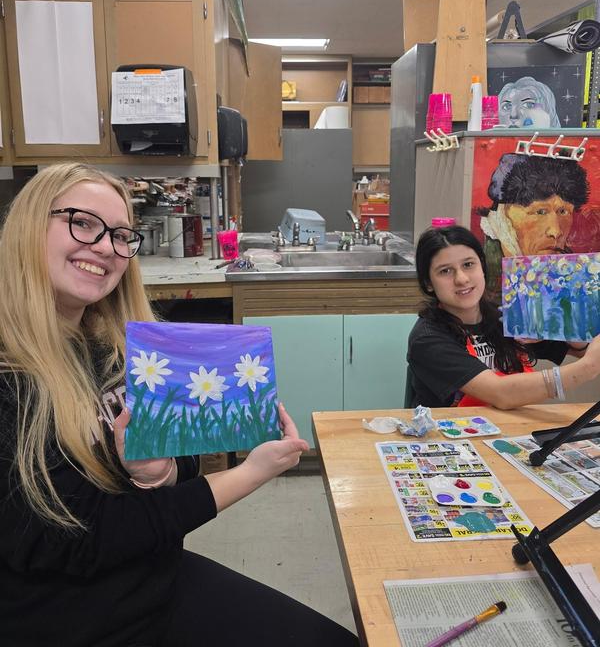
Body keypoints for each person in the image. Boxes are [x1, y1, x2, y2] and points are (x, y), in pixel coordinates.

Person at [0, 163, 358, 647]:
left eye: (120, 235)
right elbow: (78, 541)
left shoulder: (114, 345)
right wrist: (249, 474)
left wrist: (157, 474)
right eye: (82, 223)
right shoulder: (11, 379)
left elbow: (181, 458)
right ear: (28, 228)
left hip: (154, 580)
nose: (105, 248)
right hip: (74, 619)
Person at [406, 225, 600, 408]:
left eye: (468, 264)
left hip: (514, 426)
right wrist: (587, 368)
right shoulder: (427, 338)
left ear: (482, 267)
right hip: (454, 431)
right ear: (428, 283)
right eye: (445, 271)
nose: (462, 279)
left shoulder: (508, 313)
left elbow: (582, 350)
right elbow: (501, 394)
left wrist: (570, 329)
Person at [477, 152, 589, 291]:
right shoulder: (479, 269)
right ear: (503, 216)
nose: (556, 232)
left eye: (563, 211)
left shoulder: (579, 273)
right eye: (540, 212)